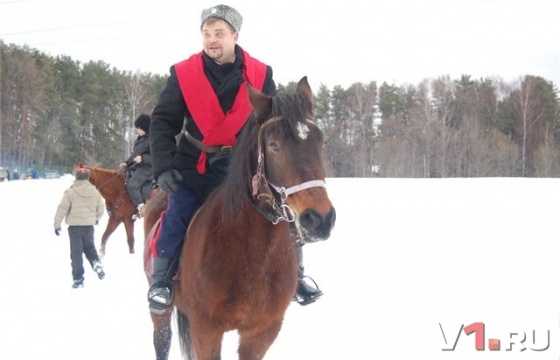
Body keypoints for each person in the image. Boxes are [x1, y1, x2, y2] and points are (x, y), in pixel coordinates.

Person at [147, 4, 322, 314]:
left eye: (219, 33)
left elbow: (271, 119)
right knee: (178, 212)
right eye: (207, 34)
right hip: (195, 164)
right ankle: (162, 280)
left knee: (279, 211)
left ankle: (296, 275)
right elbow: (162, 121)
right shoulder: (183, 74)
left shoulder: (261, 73)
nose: (212, 40)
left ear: (235, 36)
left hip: (243, 168)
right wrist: (162, 166)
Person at [54, 167, 106, 288]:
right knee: (89, 247)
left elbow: (62, 208)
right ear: (88, 177)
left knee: (76, 253)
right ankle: (96, 263)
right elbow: (101, 208)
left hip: (75, 227)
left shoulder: (70, 192)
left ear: (76, 177)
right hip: (89, 226)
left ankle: (78, 279)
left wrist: (57, 224)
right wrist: (96, 218)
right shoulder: (95, 191)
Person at [119, 114, 153, 218]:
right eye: (137, 128)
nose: (138, 130)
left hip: (148, 168)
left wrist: (142, 159)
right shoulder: (139, 139)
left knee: (132, 184)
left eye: (140, 128)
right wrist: (127, 163)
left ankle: (142, 208)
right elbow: (134, 155)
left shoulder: (152, 140)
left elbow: (155, 157)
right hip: (139, 166)